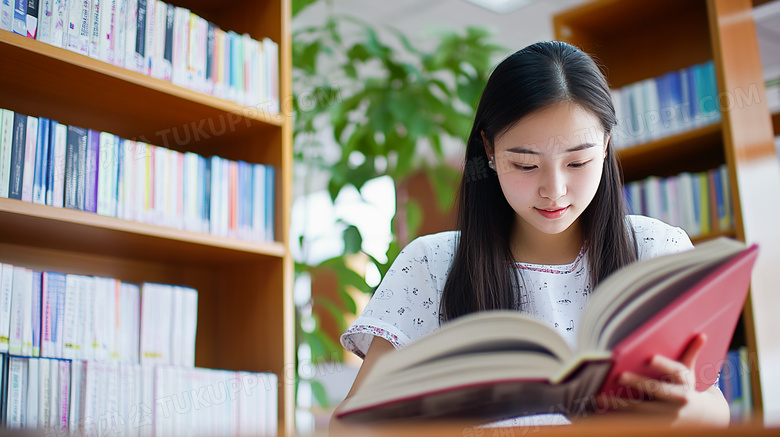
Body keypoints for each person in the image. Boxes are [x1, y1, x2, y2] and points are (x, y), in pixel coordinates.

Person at [331, 40, 730, 430]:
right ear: (489, 150)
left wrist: (682, 408)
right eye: (524, 165)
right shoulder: (431, 265)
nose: (553, 189)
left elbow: (715, 406)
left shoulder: (657, 250)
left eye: (577, 161)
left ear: (606, 145)